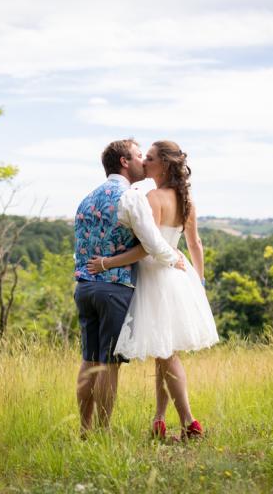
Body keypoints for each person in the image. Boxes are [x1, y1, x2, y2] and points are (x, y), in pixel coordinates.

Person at [87, 140, 218, 441]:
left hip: (158, 279)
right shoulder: (186, 201)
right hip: (180, 276)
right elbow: (195, 245)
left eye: (150, 157)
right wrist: (199, 283)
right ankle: (159, 420)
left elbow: (147, 249)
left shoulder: (153, 197)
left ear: (163, 164)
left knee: (167, 354)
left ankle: (190, 422)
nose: (144, 161)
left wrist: (107, 262)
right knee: (163, 351)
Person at [73, 138, 185, 437]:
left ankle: (85, 430)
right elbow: (151, 243)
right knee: (109, 364)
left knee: (89, 360)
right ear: (124, 161)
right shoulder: (130, 197)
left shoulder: (87, 198)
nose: (142, 161)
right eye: (138, 155)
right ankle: (103, 431)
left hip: (84, 287)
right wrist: (173, 257)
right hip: (114, 288)